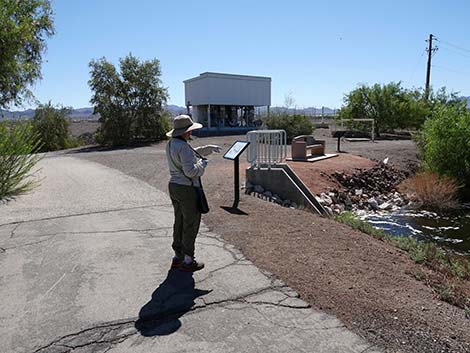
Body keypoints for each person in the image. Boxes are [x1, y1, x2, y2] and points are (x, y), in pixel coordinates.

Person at [165, 115, 221, 272]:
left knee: (179, 221)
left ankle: (178, 256)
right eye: (189, 131)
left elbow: (188, 155)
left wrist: (207, 149)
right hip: (186, 189)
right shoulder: (183, 146)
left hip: (174, 186)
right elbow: (191, 171)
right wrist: (202, 165)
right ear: (185, 132)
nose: (190, 134)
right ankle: (188, 260)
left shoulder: (171, 144)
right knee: (191, 223)